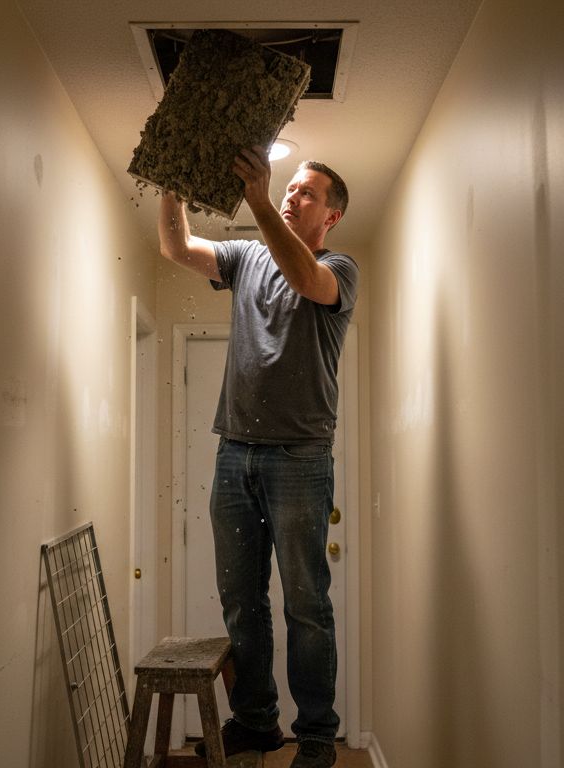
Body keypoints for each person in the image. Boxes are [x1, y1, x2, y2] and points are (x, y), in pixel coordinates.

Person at [157, 147, 358, 768]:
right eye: (289, 189)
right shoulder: (245, 258)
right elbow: (176, 247)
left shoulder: (339, 269)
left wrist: (261, 200)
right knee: (242, 599)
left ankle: (318, 735)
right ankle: (256, 720)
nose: (294, 196)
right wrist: (171, 181)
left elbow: (304, 279)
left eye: (306, 193)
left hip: (300, 457)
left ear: (332, 216)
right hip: (234, 454)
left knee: (306, 603)